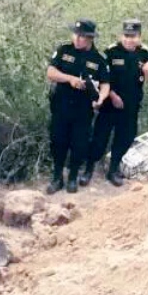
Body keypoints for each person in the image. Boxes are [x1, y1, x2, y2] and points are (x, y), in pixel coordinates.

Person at [81, 19, 148, 187]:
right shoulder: (111, 52)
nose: (129, 40)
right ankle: (88, 170)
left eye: (133, 36)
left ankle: (113, 170)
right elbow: (100, 77)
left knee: (125, 139)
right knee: (99, 140)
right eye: (126, 36)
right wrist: (112, 95)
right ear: (121, 36)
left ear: (139, 37)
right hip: (109, 106)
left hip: (131, 106)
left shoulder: (143, 52)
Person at [45, 19, 110, 194]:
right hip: (61, 105)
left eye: (82, 36)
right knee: (58, 141)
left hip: (83, 109)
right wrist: (70, 79)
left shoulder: (99, 59)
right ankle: (57, 177)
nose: (77, 38)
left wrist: (101, 98)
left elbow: (105, 84)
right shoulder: (64, 50)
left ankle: (73, 177)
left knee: (79, 143)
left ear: (90, 38)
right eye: (75, 34)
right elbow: (50, 72)